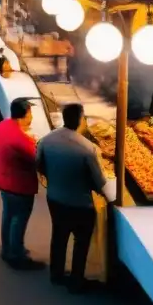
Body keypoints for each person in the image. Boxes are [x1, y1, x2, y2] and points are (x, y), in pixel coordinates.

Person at [36, 103, 106, 294]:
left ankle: (56, 275)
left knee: (58, 236)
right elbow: (99, 182)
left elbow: (39, 165)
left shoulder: (46, 140)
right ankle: (76, 281)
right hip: (80, 204)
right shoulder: (87, 148)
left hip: (55, 199)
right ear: (81, 120)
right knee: (81, 242)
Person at [0, 99, 44, 270]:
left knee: (8, 215)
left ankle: (7, 249)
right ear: (27, 113)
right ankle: (16, 255)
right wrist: (35, 143)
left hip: (3, 180)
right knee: (19, 219)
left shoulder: (1, 126)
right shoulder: (21, 140)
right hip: (19, 186)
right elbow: (37, 160)